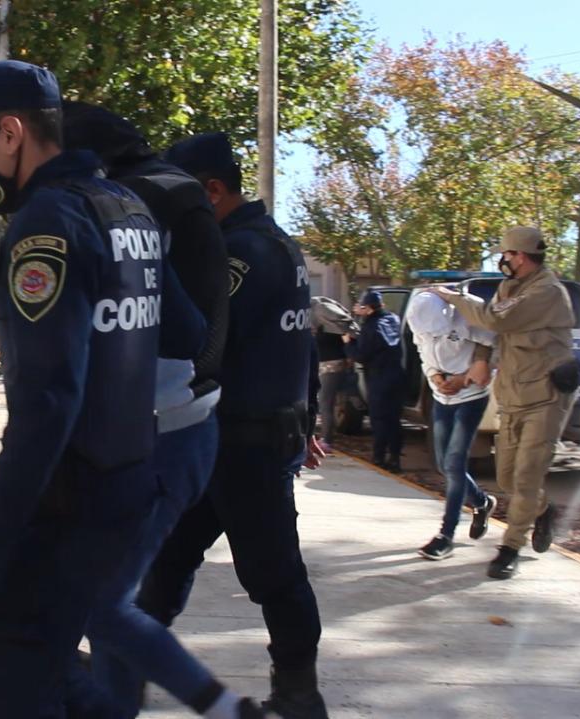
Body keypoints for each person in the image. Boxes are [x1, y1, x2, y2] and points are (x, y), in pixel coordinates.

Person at [0, 60, 188, 718]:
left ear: (9, 133)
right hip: (129, 485)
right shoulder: (126, 208)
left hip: (68, 504)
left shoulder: (47, 227)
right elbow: (186, 330)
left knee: (16, 685)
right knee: (52, 670)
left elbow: (46, 408)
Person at [61, 103, 271, 719]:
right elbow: (188, 328)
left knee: (100, 605)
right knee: (107, 602)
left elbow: (179, 330)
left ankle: (226, 709)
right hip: (178, 426)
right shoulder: (160, 201)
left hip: (158, 432)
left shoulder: (123, 210)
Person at [137, 132, 329, 719]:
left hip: (244, 445)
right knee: (167, 556)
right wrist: (310, 418)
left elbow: (200, 342)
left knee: (274, 574)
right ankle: (127, 663)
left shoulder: (238, 254)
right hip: (230, 438)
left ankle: (299, 695)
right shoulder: (277, 244)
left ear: (213, 191)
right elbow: (304, 346)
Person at [429, 226, 577, 579]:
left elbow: (495, 319)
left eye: (506, 254)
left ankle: (510, 547)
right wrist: (479, 362)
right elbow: (493, 333)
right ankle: (542, 510)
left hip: (544, 397)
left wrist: (453, 297)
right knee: (507, 479)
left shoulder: (546, 291)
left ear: (520, 257)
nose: (502, 260)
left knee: (525, 478)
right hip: (513, 395)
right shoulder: (510, 288)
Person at [404, 291, 499, 560]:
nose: (431, 335)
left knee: (455, 464)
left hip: (470, 398)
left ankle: (446, 535)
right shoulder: (418, 321)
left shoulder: (468, 314)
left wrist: (465, 378)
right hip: (440, 396)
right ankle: (482, 502)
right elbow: (423, 354)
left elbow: (493, 348)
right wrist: (434, 375)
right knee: (442, 464)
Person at [344, 290, 405, 473]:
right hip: (397, 375)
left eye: (362, 307)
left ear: (369, 309)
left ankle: (379, 457)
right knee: (394, 419)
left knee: (379, 419)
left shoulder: (371, 327)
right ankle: (395, 458)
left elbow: (361, 355)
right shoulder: (393, 319)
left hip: (379, 377)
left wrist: (348, 343)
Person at [310, 297, 358, 449]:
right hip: (330, 366)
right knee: (326, 402)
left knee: (326, 403)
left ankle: (327, 440)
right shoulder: (334, 327)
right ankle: (325, 438)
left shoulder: (333, 328)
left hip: (330, 367)